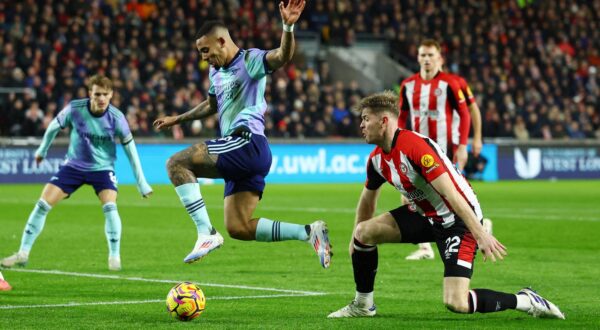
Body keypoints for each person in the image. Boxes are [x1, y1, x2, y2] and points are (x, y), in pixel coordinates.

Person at [327, 91, 564, 319]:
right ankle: (363, 305)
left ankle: (525, 300)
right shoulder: (377, 159)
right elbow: (368, 199)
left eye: (366, 119)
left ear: (384, 121)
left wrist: (480, 233)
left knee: (457, 302)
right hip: (426, 215)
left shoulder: (415, 147)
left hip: (458, 221)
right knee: (364, 232)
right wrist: (355, 242)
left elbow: (451, 193)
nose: (361, 125)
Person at [152, 1, 331, 268]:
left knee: (176, 163)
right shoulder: (216, 71)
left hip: (246, 142)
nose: (203, 58)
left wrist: (288, 26)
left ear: (222, 41)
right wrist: (178, 119)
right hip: (245, 153)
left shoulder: (250, 61)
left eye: (205, 50)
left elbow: (282, 56)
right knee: (238, 227)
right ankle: (309, 232)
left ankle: (206, 234)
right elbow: (212, 105)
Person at [1, 75, 152, 271]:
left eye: (105, 94)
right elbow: (54, 125)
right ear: (90, 93)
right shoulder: (76, 108)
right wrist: (42, 150)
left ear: (111, 95)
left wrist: (141, 183)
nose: (101, 98)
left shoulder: (117, 118)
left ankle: (114, 257)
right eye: (97, 94)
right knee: (42, 204)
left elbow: (130, 150)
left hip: (103, 168)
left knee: (110, 206)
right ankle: (23, 253)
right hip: (73, 166)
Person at [398, 39, 489, 260]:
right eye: (423, 55)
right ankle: (425, 247)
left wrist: (468, 143)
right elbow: (401, 117)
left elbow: (469, 112)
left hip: (445, 150)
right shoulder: (407, 85)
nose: (427, 60)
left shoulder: (452, 83)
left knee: (451, 196)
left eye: (431, 55)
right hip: (416, 150)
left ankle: (479, 226)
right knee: (408, 195)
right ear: (417, 58)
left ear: (440, 58)